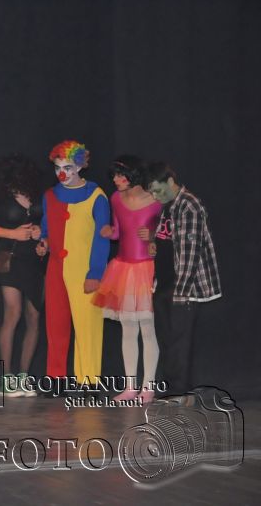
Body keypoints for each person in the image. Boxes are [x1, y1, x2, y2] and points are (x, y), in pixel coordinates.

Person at [36, 140, 110, 386]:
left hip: (84, 270)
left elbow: (101, 239)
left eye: (67, 167)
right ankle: (55, 379)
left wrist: (95, 273)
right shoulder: (49, 196)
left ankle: (88, 381)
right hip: (56, 269)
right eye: (58, 168)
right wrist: (44, 243)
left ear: (80, 166)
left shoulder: (97, 197)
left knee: (87, 325)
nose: (62, 173)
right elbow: (46, 230)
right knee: (55, 324)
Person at [145, 162, 221, 394]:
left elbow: (190, 253)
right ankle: (172, 389)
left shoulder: (189, 205)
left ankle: (180, 393)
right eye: (152, 193)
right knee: (167, 340)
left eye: (158, 190)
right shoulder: (168, 206)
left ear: (170, 181)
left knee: (180, 343)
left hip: (182, 287)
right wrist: (155, 244)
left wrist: (181, 292)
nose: (155, 196)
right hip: (164, 282)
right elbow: (169, 240)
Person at [92, 156, 162, 403]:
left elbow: (168, 232)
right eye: (114, 175)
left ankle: (148, 387)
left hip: (147, 268)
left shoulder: (156, 200)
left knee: (147, 328)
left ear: (133, 175)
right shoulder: (116, 199)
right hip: (123, 268)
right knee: (128, 329)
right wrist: (109, 232)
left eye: (120, 175)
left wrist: (154, 235)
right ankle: (131, 386)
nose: (115, 179)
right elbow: (119, 231)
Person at [0, 155, 44, 397]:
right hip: (10, 260)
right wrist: (13, 233)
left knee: (34, 317)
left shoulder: (37, 197)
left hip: (34, 260)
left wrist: (40, 233)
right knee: (13, 312)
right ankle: (6, 378)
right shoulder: (1, 198)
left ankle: (23, 376)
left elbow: (46, 224)